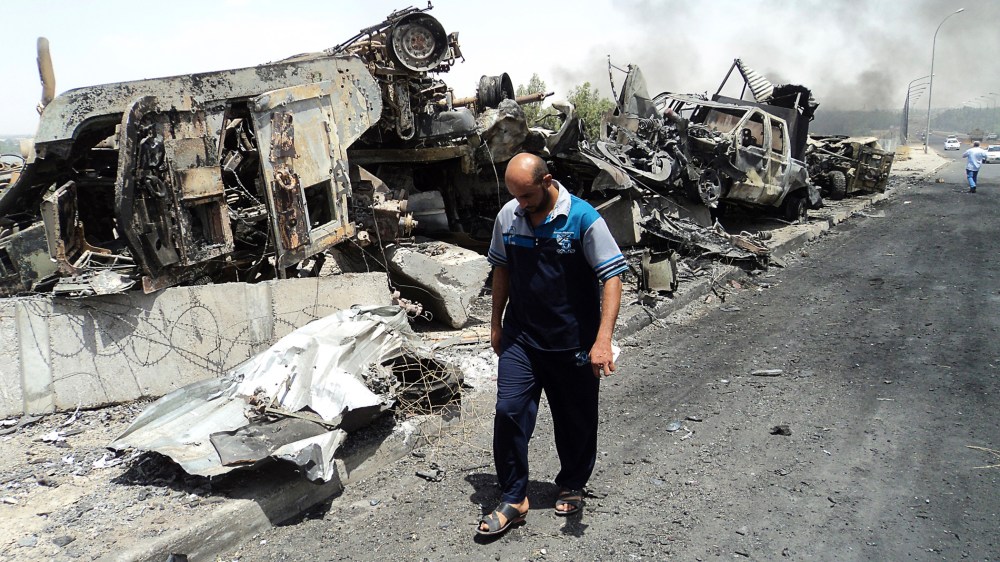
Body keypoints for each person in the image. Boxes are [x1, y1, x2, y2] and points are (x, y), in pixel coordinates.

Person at [477, 152, 627, 536]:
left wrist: (603, 340)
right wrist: (495, 323)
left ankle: (573, 482)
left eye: (526, 196)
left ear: (547, 182)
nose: (520, 205)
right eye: (514, 196)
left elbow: (611, 276)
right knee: (509, 410)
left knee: (575, 419)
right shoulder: (509, 217)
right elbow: (502, 269)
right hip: (522, 338)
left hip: (572, 342)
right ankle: (514, 496)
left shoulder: (583, 218)